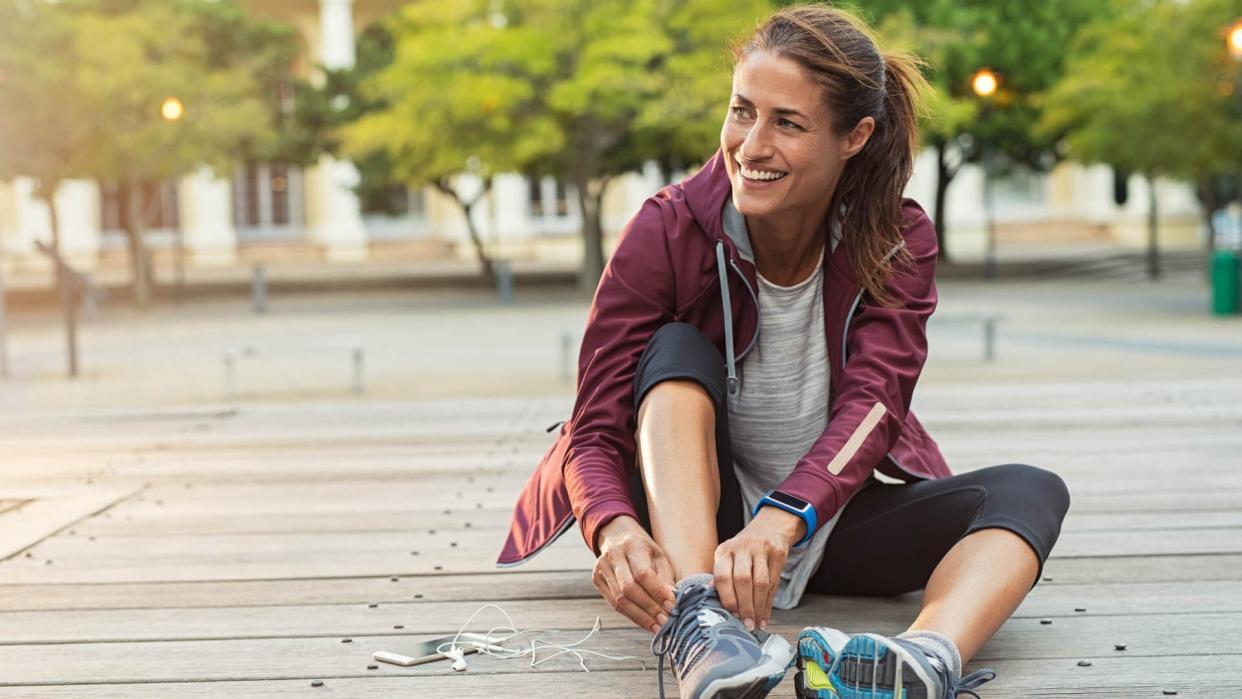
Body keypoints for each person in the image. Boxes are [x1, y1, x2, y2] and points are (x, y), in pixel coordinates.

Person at [498, 5, 1070, 699]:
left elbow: (875, 406)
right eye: (742, 111)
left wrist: (785, 517)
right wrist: (613, 526)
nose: (751, 145)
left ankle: (925, 660)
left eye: (787, 123)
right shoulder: (667, 228)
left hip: (823, 521)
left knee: (1030, 488)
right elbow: (592, 424)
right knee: (676, 348)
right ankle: (702, 623)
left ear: (854, 136)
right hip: (701, 531)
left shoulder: (895, 238)